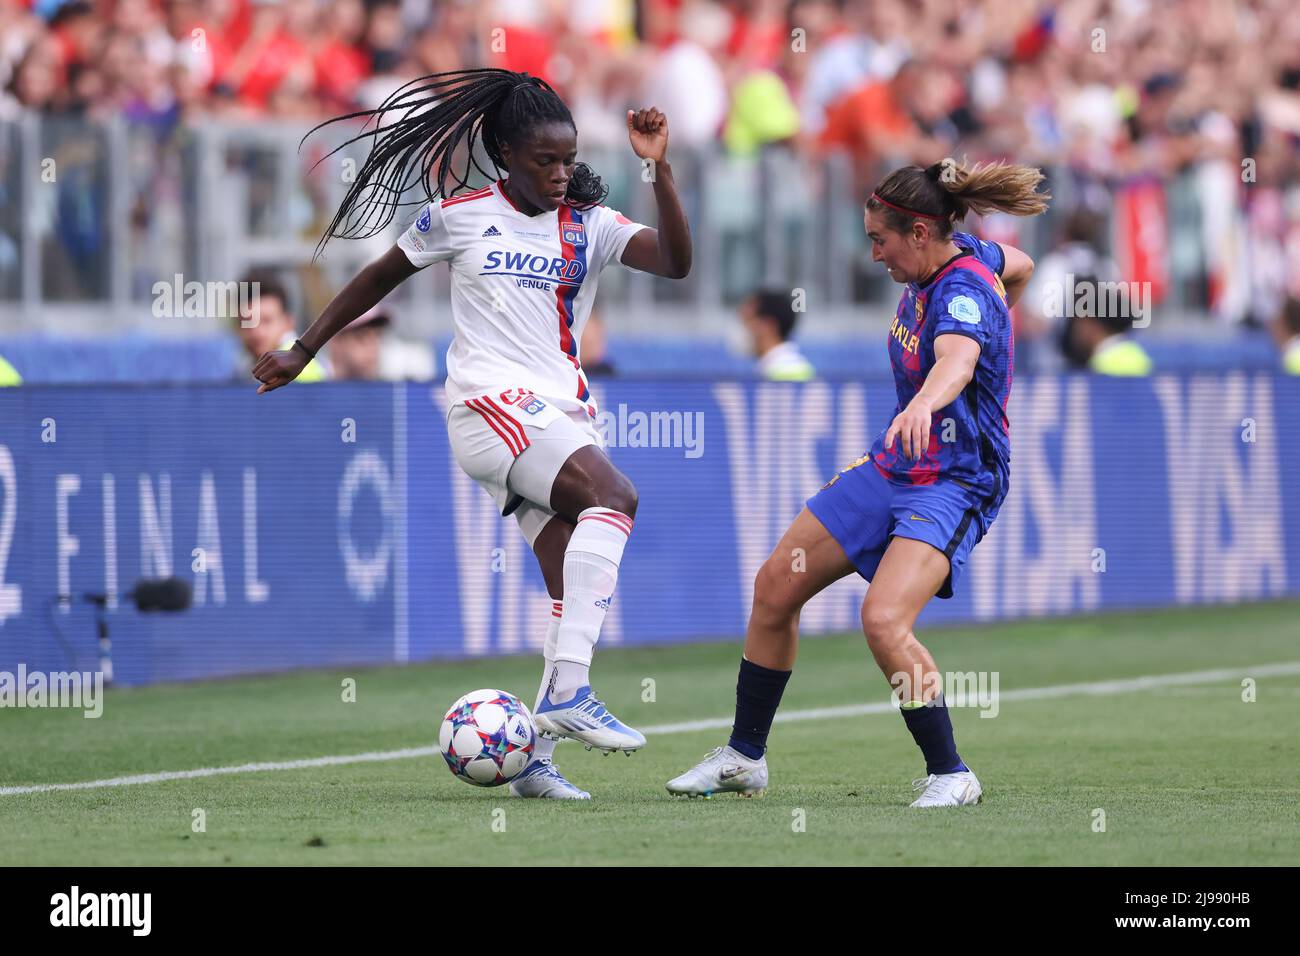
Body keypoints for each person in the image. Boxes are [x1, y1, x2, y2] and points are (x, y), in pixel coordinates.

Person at [252, 69, 692, 800]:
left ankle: (533, 760)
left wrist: (658, 168)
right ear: (503, 152)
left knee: (566, 588)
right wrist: (306, 346)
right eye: (542, 160)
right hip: (487, 406)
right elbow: (376, 279)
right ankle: (568, 695)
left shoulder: (590, 222)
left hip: (557, 417)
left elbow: (678, 263)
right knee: (614, 496)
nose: (558, 174)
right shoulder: (460, 215)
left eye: (566, 159)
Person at [667, 159, 1047, 807]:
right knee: (775, 587)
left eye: (881, 239)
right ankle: (744, 756)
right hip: (895, 464)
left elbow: (958, 356)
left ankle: (951, 773)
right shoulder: (972, 259)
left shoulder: (960, 292)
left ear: (922, 232)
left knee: (884, 619)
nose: (873, 253)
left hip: (955, 479)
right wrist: (996, 298)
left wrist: (928, 401)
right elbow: (1022, 266)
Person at [234, 274, 327, 382]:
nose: (257, 332)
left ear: (288, 323)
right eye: (248, 322)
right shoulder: (243, 368)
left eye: (266, 321)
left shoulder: (301, 372)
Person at [740, 289, 816, 381]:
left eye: (746, 320)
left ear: (768, 325)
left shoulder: (788, 370)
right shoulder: (768, 368)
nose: (741, 328)